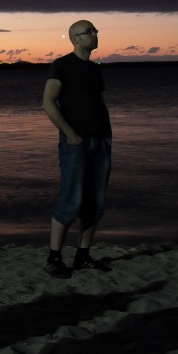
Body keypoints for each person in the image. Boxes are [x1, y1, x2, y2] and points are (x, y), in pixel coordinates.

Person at [41, 19, 112, 278]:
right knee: (71, 200)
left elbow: (100, 105)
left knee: (95, 203)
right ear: (75, 39)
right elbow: (48, 102)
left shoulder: (94, 70)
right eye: (89, 32)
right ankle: (54, 258)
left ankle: (83, 256)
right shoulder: (62, 66)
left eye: (95, 30)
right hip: (76, 144)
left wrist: (108, 136)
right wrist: (70, 134)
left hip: (99, 143)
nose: (95, 34)